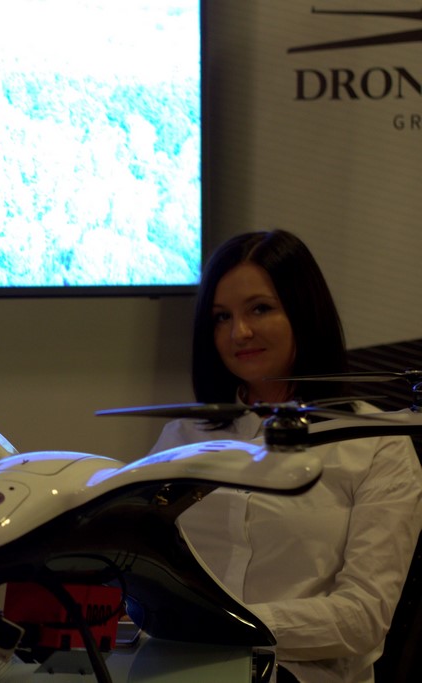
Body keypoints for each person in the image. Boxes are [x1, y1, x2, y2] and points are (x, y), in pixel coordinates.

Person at [150, 229, 422, 683]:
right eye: (221, 317)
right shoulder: (180, 437)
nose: (239, 332)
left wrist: (226, 626)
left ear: (304, 311)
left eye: (260, 309)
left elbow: (364, 616)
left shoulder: (378, 443)